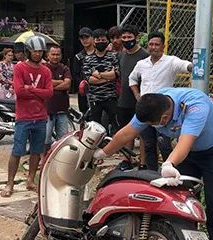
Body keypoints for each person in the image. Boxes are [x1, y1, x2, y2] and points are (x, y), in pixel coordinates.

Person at [94, 88, 213, 240]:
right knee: (180, 199)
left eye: (153, 125)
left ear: (164, 118)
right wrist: (103, 152)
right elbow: (126, 133)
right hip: (188, 151)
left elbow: (185, 142)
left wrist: (169, 163)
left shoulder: (194, 105)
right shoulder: (152, 104)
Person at [129, 31, 192, 171]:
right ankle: (151, 174)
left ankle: (171, 172)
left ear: (163, 46)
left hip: (164, 112)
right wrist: (137, 95)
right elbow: (132, 79)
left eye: (157, 44)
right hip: (146, 110)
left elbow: (185, 65)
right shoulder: (141, 64)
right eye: (151, 44)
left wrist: (194, 67)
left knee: (164, 145)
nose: (153, 47)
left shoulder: (170, 61)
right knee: (148, 144)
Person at [3, 36, 53, 197]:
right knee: (17, 150)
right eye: (34, 51)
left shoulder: (46, 70)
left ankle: (30, 180)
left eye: (40, 51)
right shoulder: (20, 68)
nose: (37, 54)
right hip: (23, 116)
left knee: (36, 151)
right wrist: (38, 92)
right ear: (28, 51)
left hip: (40, 116)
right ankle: (9, 182)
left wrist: (30, 89)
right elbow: (19, 91)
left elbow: (49, 93)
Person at [116, 25, 148, 170]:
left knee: (142, 133)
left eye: (129, 37)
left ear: (136, 37)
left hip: (140, 100)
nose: (126, 40)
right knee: (126, 131)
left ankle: (143, 162)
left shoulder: (144, 55)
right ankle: (126, 159)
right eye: (124, 37)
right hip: (124, 100)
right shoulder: (121, 55)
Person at [82, 28, 120, 134]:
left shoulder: (113, 56)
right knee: (96, 128)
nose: (100, 42)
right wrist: (107, 77)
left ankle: (117, 147)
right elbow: (90, 80)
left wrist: (99, 75)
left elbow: (115, 75)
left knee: (116, 124)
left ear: (107, 41)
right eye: (98, 40)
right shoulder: (88, 59)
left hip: (111, 97)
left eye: (103, 40)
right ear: (93, 41)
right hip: (95, 99)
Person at [45, 46, 71, 147]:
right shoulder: (43, 68)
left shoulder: (65, 68)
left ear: (61, 56)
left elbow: (68, 84)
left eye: (57, 54)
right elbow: (45, 84)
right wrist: (61, 82)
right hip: (47, 109)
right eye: (53, 54)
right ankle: (43, 160)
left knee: (63, 139)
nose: (55, 57)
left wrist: (51, 86)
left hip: (62, 110)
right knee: (45, 139)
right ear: (48, 55)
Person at [73, 27, 95, 114]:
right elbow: (75, 75)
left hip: (99, 91)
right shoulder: (78, 57)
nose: (84, 40)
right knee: (85, 116)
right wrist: (84, 85)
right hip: (84, 92)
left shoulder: (100, 53)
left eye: (87, 37)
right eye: (82, 38)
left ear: (92, 38)